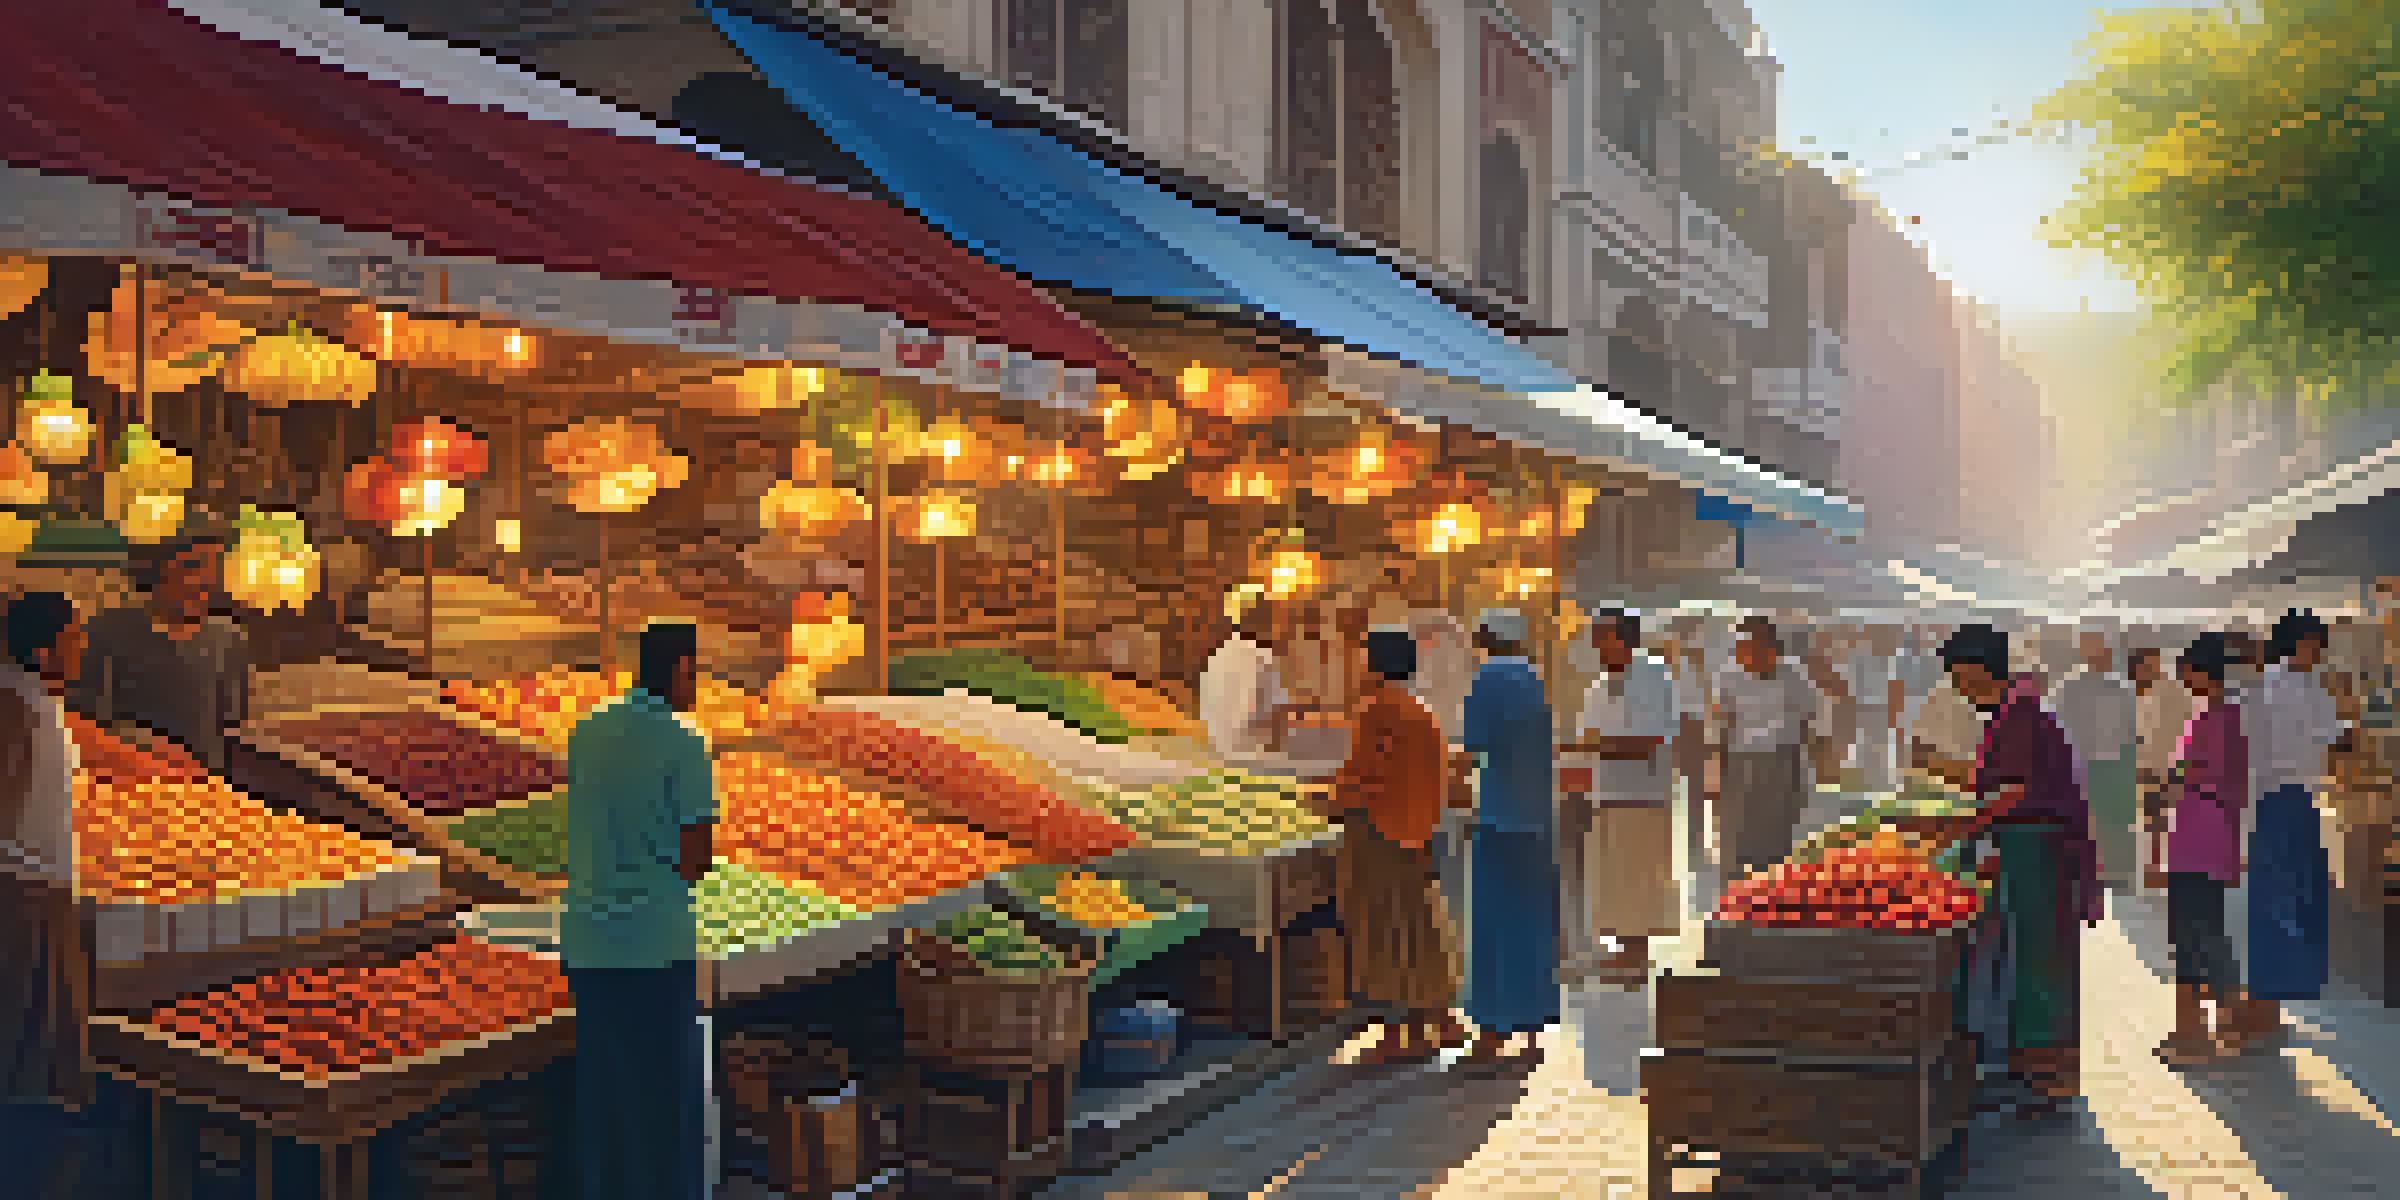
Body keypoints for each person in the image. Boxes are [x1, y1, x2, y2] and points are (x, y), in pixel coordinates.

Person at [561, 621, 717, 1200]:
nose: (696, 684)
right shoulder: (685, 742)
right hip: (655, 945)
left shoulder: (586, 732)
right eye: (694, 672)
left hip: (589, 943)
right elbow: (696, 858)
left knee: (607, 1095)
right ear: (678, 670)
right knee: (665, 1099)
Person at [1942, 624, 2101, 1108]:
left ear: (1975, 671)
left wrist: (1964, 823)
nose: (1958, 689)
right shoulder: (2015, 713)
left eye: (1958, 677)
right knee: (2033, 957)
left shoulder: (2020, 718)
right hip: (2028, 849)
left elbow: (2012, 791)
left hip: (2040, 851)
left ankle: (2048, 1077)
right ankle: (2035, 1071)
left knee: (2038, 958)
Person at [1330, 628, 1465, 1065]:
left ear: (1374, 665)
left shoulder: (1379, 711)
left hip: (1380, 832)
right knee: (1420, 924)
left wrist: (1329, 798)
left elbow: (1368, 777)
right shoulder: (1422, 711)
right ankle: (1443, 1020)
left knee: (1381, 930)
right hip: (1418, 829)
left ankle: (1399, 1035)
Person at [2235, 611, 2343, 1049]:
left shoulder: (2276, 688)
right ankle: (2264, 1006)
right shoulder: (2294, 689)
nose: (2319, 651)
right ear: (2299, 644)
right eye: (2315, 642)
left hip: (2279, 801)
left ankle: (2265, 1004)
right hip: (2285, 801)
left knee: (2276, 903)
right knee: (2284, 903)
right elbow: (2332, 740)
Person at [0, 593, 91, 1116]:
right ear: (43, 650)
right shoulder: (15, 706)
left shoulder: (35, 699)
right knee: (21, 1040)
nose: (81, 647)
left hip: (43, 889)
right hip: (22, 893)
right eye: (73, 638)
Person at [1557, 610, 1678, 986]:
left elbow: (1649, 742)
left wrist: (1596, 746)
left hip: (1642, 793)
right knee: (1612, 878)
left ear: (1624, 638)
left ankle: (1636, 957)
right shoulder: (1597, 686)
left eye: (1603, 636)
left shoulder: (1653, 676)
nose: (1596, 645)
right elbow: (1586, 740)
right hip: (1605, 792)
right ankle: (1623, 951)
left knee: (1638, 878)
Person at [1459, 608, 1558, 1067]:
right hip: (1536, 818)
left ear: (1486, 638)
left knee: (1493, 925)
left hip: (1500, 818)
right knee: (1532, 922)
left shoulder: (1489, 679)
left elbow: (1473, 746)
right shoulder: (1532, 679)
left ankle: (1492, 1033)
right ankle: (1534, 1026)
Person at [74, 532, 251, 774]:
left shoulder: (229, 638)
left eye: (215, 569)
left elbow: (232, 727)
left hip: (202, 787)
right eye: (192, 567)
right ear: (156, 569)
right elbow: (83, 725)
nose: (207, 581)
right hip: (126, 782)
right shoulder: (106, 630)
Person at [2156, 632, 2249, 1068]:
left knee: (2195, 932)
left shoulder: (2216, 717)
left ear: (2199, 671)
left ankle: (2204, 1033)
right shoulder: (2218, 714)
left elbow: (2192, 769)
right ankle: (2211, 1025)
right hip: (2204, 832)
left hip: (2200, 833)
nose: (2182, 679)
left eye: (2186, 671)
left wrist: (2171, 778)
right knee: (2200, 929)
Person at [1709, 618, 1821, 879]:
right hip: (1741, 763)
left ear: (1771, 648)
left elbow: (1808, 722)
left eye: (1752, 645)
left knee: (1775, 841)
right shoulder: (1729, 677)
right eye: (1741, 646)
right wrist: (1717, 775)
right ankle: (1734, 898)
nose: (1744, 652)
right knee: (1737, 839)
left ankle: (1770, 900)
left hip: (1781, 761)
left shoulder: (1793, 675)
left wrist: (1802, 771)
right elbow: (1723, 728)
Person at [2054, 630, 2138, 891]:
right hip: (2083, 763)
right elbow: (2061, 726)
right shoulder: (2070, 687)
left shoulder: (2123, 688)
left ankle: (2119, 873)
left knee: (2117, 820)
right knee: (2086, 819)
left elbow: (2132, 728)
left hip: (2116, 763)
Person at [1198, 591, 1296, 759]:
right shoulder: (1263, 657)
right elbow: (1280, 713)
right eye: (1267, 614)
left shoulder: (1217, 655)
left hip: (1215, 745)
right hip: (1251, 753)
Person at [2132, 646, 2197, 895]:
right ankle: (2155, 869)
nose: (2147, 668)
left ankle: (2171, 869)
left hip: (2173, 765)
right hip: (2151, 765)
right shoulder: (2142, 693)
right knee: (2154, 822)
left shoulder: (2174, 692)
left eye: (2151, 662)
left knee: (2172, 819)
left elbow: (2186, 726)